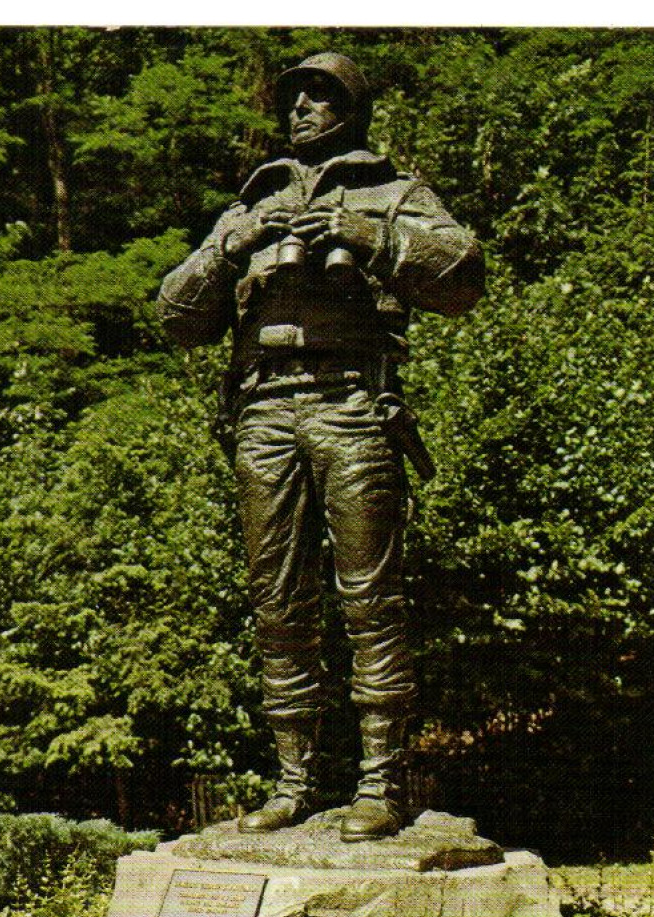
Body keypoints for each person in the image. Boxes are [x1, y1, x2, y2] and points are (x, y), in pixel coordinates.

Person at [157, 51, 484, 841]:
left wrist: (363, 234)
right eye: (294, 94)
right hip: (263, 405)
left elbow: (465, 277)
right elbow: (173, 317)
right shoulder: (254, 201)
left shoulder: (393, 190)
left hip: (351, 400)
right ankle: (293, 782)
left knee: (369, 597)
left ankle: (380, 784)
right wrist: (232, 246)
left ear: (354, 106)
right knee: (277, 601)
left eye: (322, 93)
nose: (301, 106)